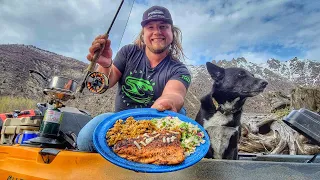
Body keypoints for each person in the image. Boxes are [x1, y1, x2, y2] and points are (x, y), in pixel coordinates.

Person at [77, 5, 191, 152]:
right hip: (121, 120)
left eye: (163, 26)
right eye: (150, 27)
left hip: (156, 123)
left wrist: (166, 102)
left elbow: (175, 93)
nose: (157, 32)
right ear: (143, 34)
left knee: (180, 115)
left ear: (172, 32)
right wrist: (105, 65)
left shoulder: (179, 69)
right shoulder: (128, 52)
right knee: (85, 140)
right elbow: (101, 87)